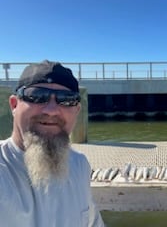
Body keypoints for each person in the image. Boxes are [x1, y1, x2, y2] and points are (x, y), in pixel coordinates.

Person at [0, 60, 105, 226]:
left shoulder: (79, 165)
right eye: (36, 95)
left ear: (77, 111)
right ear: (14, 105)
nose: (51, 110)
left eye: (67, 99)